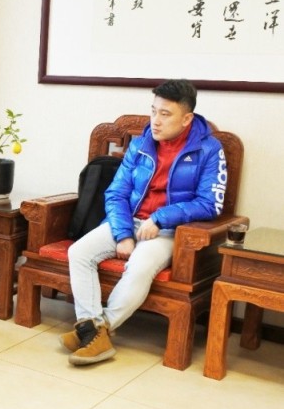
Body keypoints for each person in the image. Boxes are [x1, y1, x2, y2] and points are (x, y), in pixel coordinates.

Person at [63, 79, 227, 365]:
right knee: (79, 252)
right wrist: (124, 233)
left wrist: (160, 218)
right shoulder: (141, 144)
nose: (156, 120)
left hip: (169, 230)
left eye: (165, 114)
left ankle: (95, 333)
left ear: (186, 119)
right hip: (128, 220)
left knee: (139, 265)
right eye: (153, 111)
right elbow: (116, 193)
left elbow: (209, 203)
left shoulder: (209, 150)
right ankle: (92, 328)